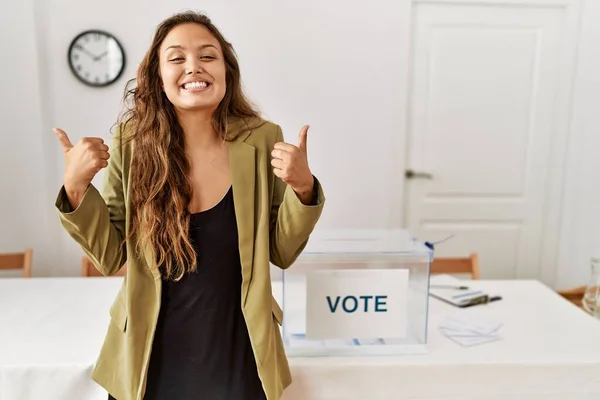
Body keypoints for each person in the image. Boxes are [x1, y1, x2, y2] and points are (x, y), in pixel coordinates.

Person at [53, 10, 325, 400]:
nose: (193, 67)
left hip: (239, 352)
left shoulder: (263, 138)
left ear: (226, 70)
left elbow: (281, 251)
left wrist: (304, 189)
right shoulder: (131, 143)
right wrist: (76, 187)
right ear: (158, 77)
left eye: (207, 55)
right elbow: (111, 257)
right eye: (177, 58)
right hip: (149, 357)